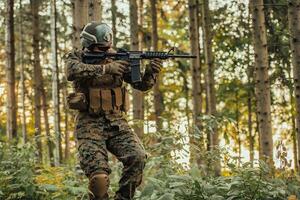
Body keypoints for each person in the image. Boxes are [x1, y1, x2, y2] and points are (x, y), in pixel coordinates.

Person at [65, 21, 162, 200]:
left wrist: (150, 73)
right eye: (99, 49)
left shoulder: (119, 56)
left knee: (138, 157)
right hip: (89, 125)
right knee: (99, 179)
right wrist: (105, 68)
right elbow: (71, 71)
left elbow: (141, 85)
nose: (105, 51)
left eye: (107, 47)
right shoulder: (77, 56)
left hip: (117, 123)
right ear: (89, 45)